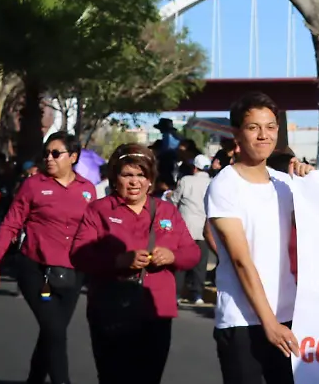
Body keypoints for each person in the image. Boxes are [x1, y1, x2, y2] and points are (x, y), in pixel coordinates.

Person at [71, 144, 200, 384]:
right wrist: (118, 261)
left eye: (141, 175)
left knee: (149, 378)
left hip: (156, 310)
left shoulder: (167, 211)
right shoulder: (98, 210)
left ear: (150, 179)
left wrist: (172, 257)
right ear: (115, 177)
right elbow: (78, 255)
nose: (134, 182)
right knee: (114, 377)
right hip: (110, 308)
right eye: (127, 175)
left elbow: (192, 252)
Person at [0, 132, 98, 384]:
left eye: (56, 153)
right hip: (35, 269)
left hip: (73, 272)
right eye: (46, 153)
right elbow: (9, 225)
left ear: (73, 157)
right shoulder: (33, 185)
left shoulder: (88, 190)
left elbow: (94, 230)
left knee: (51, 333)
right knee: (55, 332)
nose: (49, 158)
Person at [206, 92, 300, 384]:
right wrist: (269, 323)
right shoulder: (225, 186)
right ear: (237, 133)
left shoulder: (286, 184)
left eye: (271, 127)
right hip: (243, 321)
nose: (264, 135)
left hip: (289, 316)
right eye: (253, 127)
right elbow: (240, 260)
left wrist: (311, 181)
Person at [172, 153, 214, 304]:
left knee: (181, 263)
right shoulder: (213, 182)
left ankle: (176, 294)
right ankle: (197, 295)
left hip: (185, 227)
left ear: (195, 168)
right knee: (200, 264)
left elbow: (175, 199)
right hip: (204, 228)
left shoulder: (185, 180)